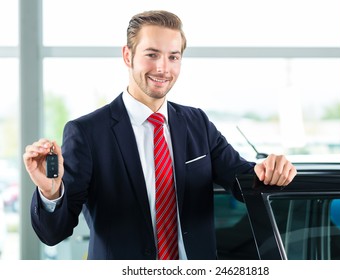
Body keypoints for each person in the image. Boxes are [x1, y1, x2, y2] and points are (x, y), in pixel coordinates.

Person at [23, 10, 297, 260]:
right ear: (128, 56)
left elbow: (242, 180)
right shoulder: (88, 133)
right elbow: (53, 233)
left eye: (173, 57)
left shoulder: (197, 123)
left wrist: (270, 170)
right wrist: (50, 193)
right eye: (152, 54)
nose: (163, 68)